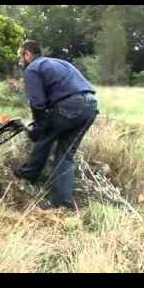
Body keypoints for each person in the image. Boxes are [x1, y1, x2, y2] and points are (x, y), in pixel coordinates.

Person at [13, 40, 99, 210]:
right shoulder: (60, 63)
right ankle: (62, 203)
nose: (19, 61)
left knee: (44, 137)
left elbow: (37, 103)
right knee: (65, 155)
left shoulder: (33, 68)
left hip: (70, 106)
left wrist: (38, 128)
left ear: (28, 54)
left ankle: (28, 174)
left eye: (20, 57)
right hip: (91, 106)